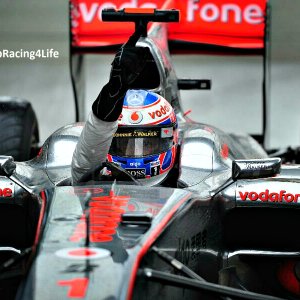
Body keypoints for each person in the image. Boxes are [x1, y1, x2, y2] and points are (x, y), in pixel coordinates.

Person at [71, 44, 179, 186]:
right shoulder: (92, 180)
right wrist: (102, 119)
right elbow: (84, 166)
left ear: (172, 138)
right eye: (123, 144)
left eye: (146, 143)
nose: (135, 154)